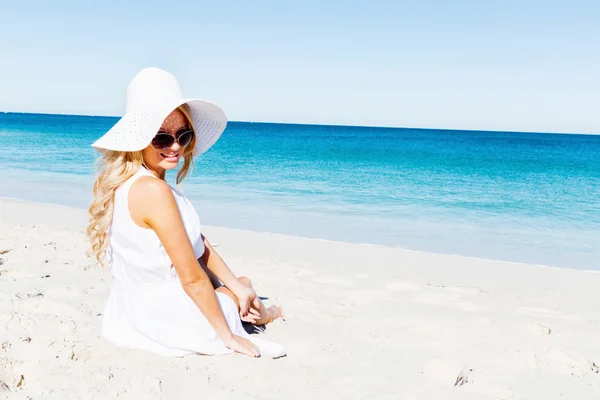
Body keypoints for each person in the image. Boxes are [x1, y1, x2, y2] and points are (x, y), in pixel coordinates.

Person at [87, 67, 285, 358]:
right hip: (168, 318)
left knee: (236, 286)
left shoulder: (132, 183)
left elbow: (197, 242)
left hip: (128, 310)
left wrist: (228, 285)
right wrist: (227, 335)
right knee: (243, 286)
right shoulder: (154, 191)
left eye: (183, 135)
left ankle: (252, 302)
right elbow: (191, 278)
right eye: (162, 138)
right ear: (140, 138)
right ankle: (267, 314)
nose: (176, 146)